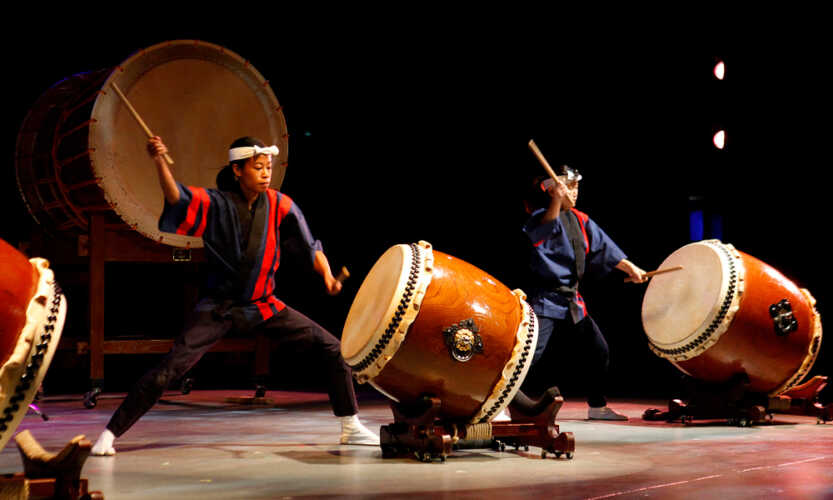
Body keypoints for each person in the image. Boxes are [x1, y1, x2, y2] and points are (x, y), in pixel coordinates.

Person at [91, 136, 378, 455]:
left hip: (263, 304)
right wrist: (159, 160)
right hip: (220, 308)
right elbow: (177, 198)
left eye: (268, 167)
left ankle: (351, 426)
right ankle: (110, 433)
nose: (266, 173)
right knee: (169, 370)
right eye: (258, 167)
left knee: (333, 348)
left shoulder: (279, 204)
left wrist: (326, 275)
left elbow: (310, 245)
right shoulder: (217, 204)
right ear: (237, 170)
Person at [520, 166, 647, 421]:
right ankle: (500, 403)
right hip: (546, 299)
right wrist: (556, 200)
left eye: (577, 187)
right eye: (570, 187)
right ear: (553, 190)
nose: (575, 192)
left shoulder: (581, 219)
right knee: (529, 354)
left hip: (572, 301)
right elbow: (544, 233)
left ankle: (597, 406)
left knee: (598, 350)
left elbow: (604, 247)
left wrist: (631, 268)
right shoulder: (540, 217)